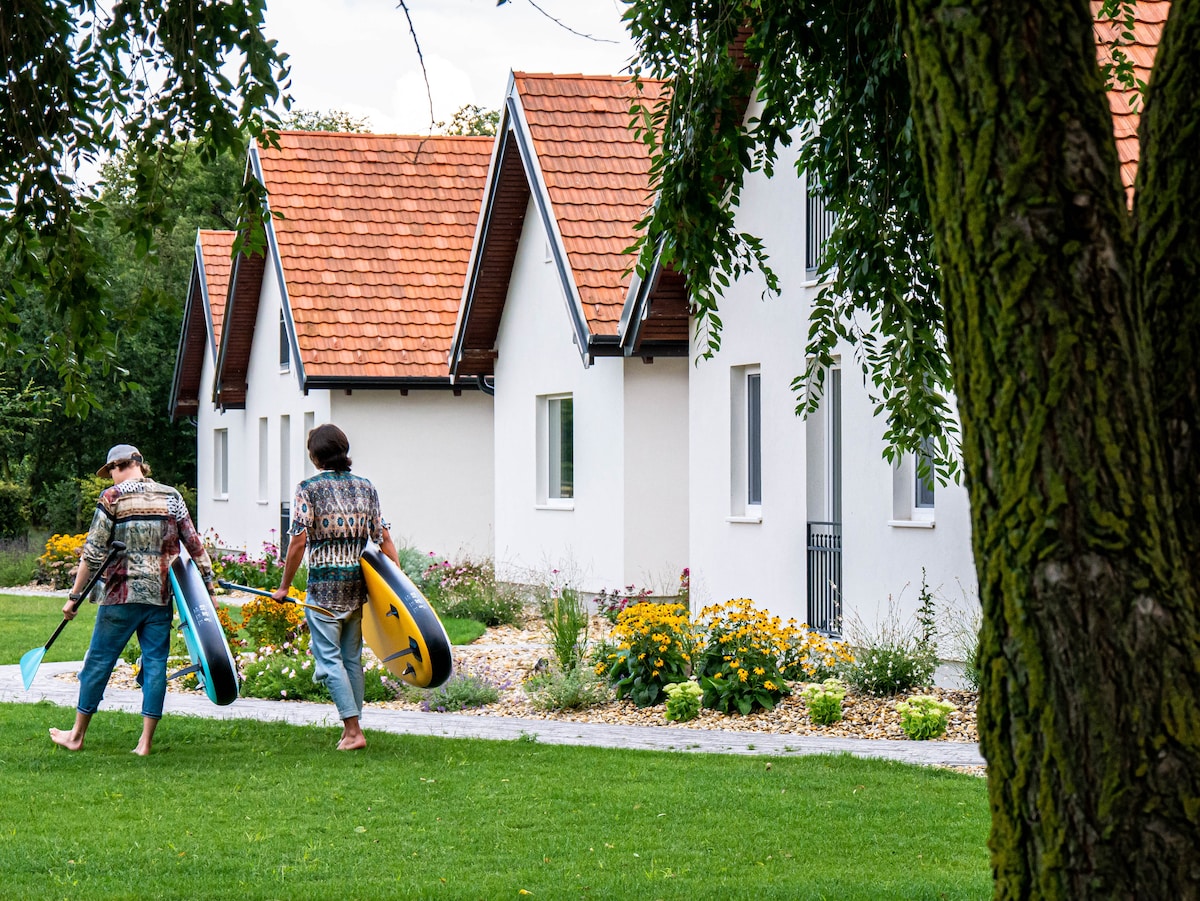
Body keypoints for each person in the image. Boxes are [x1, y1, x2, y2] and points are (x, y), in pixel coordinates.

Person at [50, 444, 216, 756]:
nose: (110, 477)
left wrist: (74, 596)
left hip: (119, 596)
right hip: (160, 596)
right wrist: (210, 587)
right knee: (155, 665)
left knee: (99, 662)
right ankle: (145, 743)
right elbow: (194, 544)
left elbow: (93, 551)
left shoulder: (112, 498)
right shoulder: (172, 497)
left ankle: (76, 735)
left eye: (110, 470)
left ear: (118, 466)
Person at [273, 424, 398, 751]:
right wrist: (399, 584)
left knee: (328, 660)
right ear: (343, 449)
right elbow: (382, 537)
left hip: (325, 589)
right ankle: (351, 730)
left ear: (315, 456)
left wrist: (284, 586)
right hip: (356, 587)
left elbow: (298, 541)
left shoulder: (308, 489)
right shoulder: (365, 487)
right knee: (351, 659)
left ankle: (353, 731)